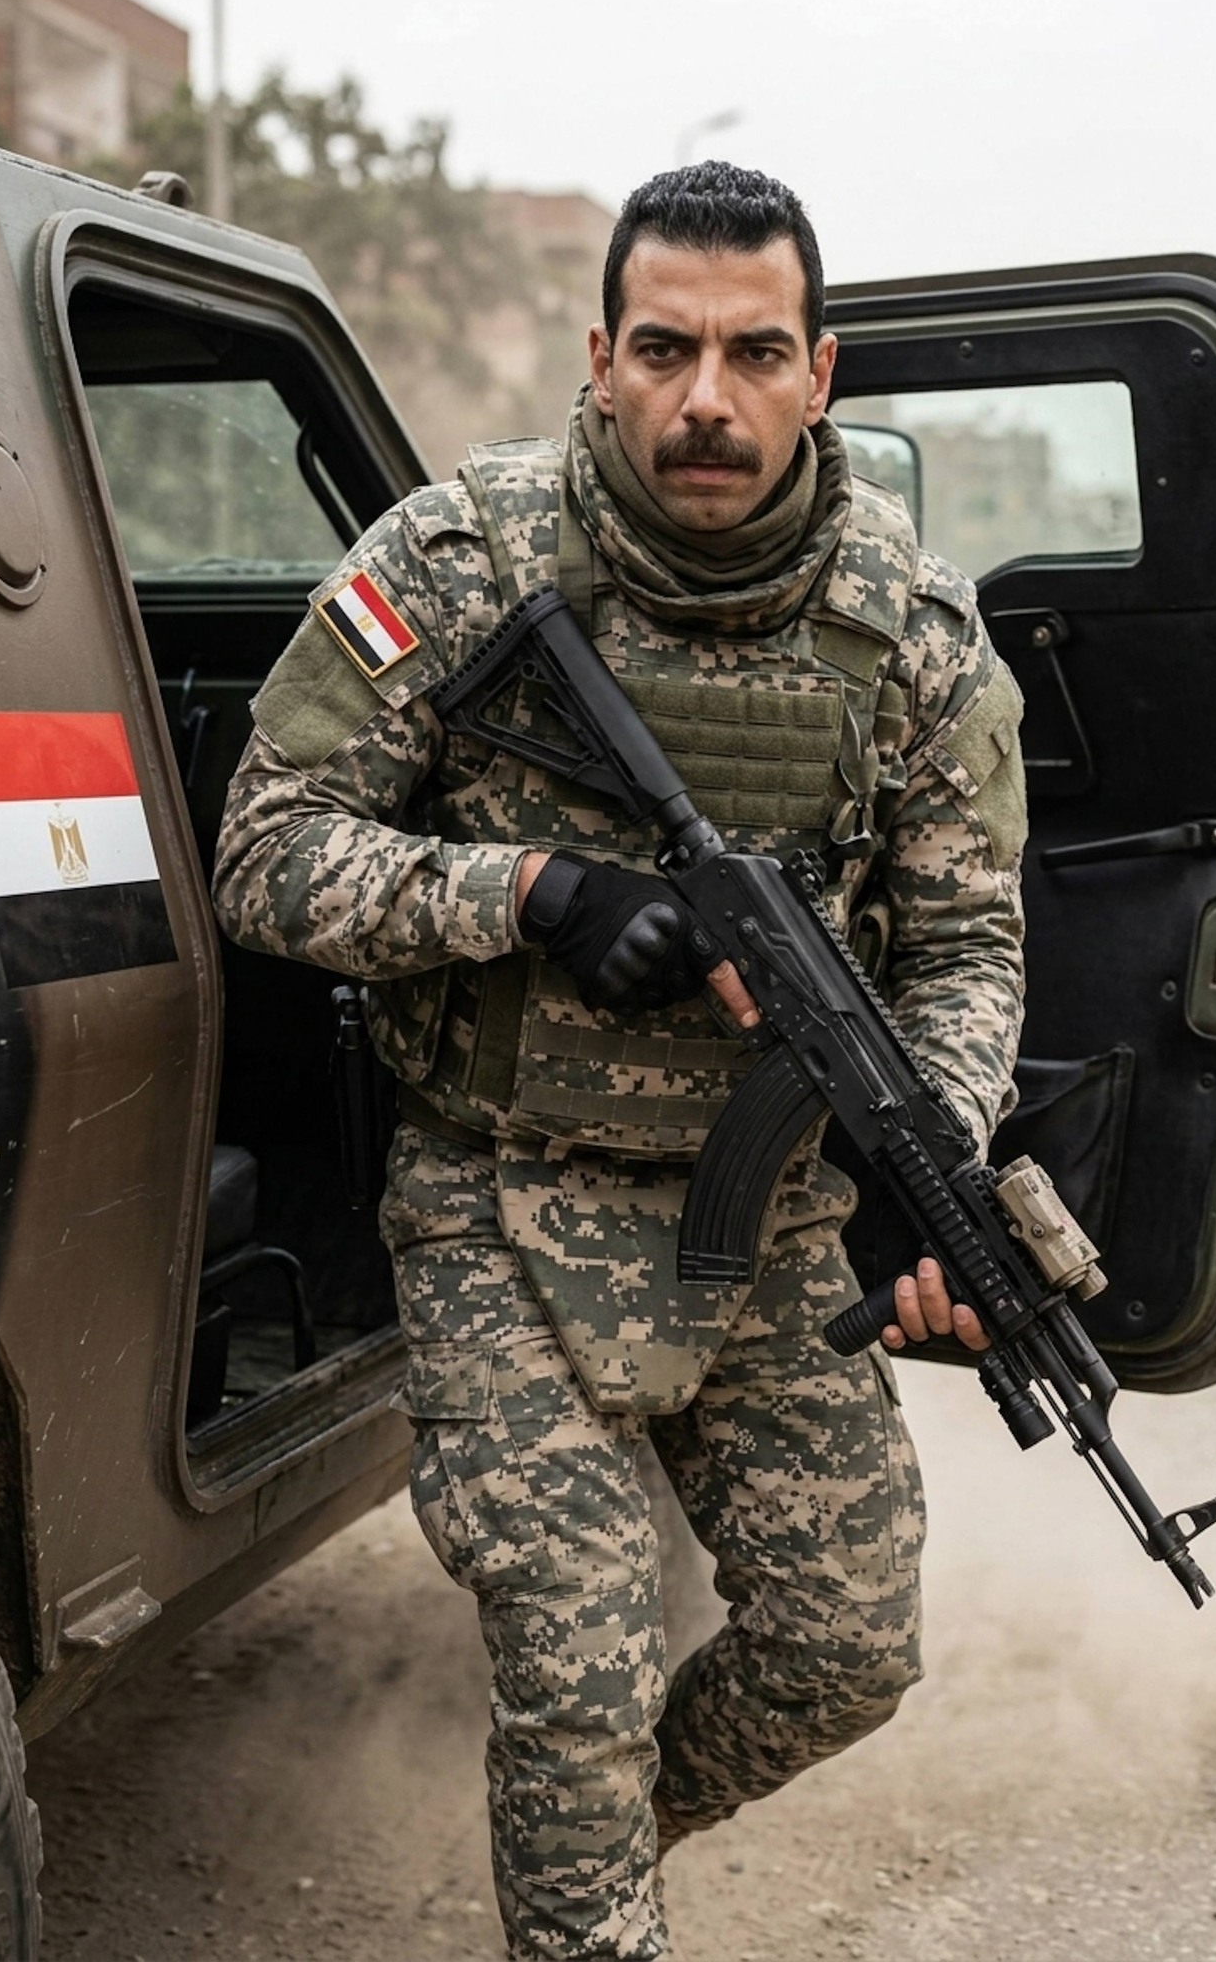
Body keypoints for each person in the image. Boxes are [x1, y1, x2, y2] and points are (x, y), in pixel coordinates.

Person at [213, 160, 1025, 1961]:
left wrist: (931, 1161)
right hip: (500, 1192)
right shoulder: (457, 557)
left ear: (824, 373)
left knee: (842, 1650)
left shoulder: (914, 639)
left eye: (752, 353)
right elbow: (263, 851)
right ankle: (579, 1873)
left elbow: (968, 950)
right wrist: (526, 893)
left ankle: (587, 1843)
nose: (705, 401)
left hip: (772, 1216)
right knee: (574, 1654)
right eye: (663, 349)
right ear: (600, 356)